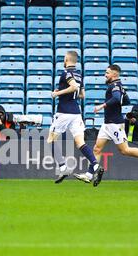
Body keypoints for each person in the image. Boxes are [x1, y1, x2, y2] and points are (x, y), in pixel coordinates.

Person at [74, 65, 138, 185]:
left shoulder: (115, 86)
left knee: (125, 150)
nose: (105, 75)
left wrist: (102, 106)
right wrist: (121, 98)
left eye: (107, 73)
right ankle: (89, 175)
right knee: (97, 148)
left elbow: (116, 99)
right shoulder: (117, 86)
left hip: (115, 124)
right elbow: (126, 101)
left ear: (114, 74)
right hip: (107, 124)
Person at [49, 50, 102, 184]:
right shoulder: (79, 75)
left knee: (51, 140)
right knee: (80, 142)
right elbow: (82, 95)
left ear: (67, 59)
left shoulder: (66, 73)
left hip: (63, 112)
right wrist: (64, 93)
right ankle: (95, 165)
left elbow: (73, 87)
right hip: (76, 113)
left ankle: (63, 167)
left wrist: (58, 93)